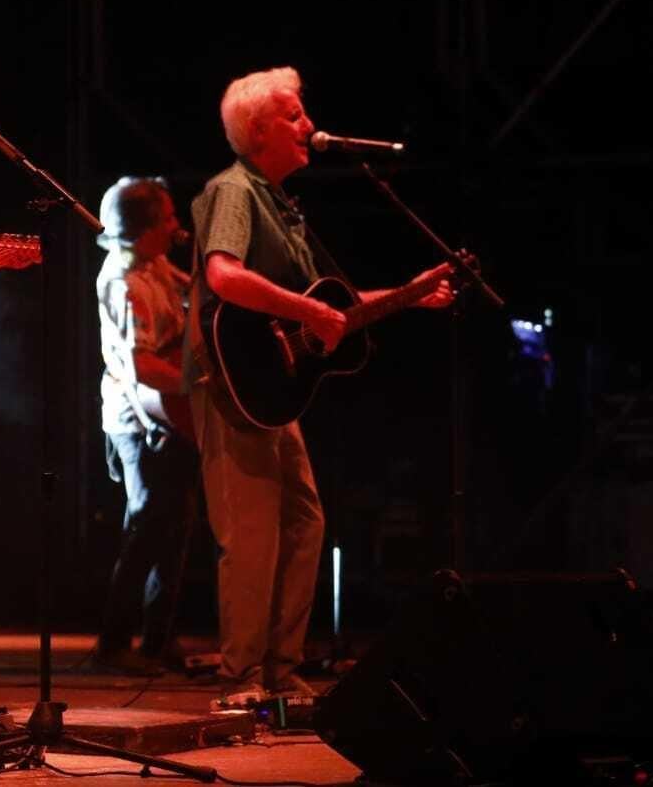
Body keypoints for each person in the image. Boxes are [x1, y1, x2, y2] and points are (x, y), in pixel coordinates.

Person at [182, 65, 452, 701]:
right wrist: (308, 312)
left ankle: (281, 669)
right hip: (231, 382)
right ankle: (244, 673)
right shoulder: (233, 190)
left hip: (273, 391)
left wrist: (410, 295)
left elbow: (337, 307)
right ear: (258, 128)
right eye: (294, 115)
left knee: (304, 522)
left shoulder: (282, 204)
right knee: (250, 533)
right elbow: (223, 276)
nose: (309, 125)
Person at [91, 176, 200, 677]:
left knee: (173, 530)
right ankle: (113, 644)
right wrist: (200, 388)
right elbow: (142, 367)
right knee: (146, 526)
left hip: (167, 413)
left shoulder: (154, 263)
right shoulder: (123, 280)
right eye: (169, 217)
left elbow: (193, 293)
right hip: (140, 420)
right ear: (144, 228)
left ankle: (159, 642)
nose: (177, 225)